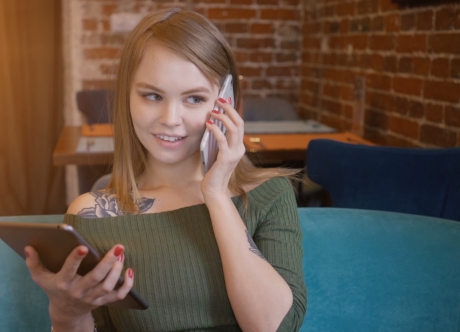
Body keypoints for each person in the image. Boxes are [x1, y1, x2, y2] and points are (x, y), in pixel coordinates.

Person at [24, 8, 307, 332]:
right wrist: (66, 313)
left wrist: (215, 194)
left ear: (225, 103)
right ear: (127, 97)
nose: (171, 118)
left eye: (194, 99)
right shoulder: (90, 215)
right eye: (153, 95)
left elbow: (274, 327)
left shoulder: (269, 195)